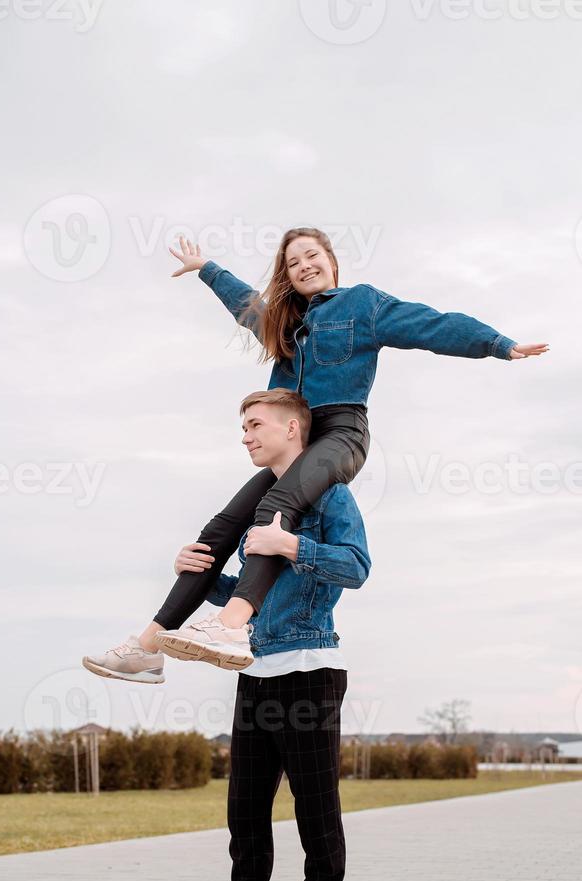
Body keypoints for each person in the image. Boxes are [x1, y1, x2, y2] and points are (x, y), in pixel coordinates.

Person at [83, 227, 548, 680]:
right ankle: (147, 647)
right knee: (221, 528)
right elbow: (247, 306)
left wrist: (498, 345)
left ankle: (230, 626)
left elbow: (431, 324)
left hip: (339, 433)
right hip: (295, 441)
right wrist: (207, 268)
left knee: (276, 507)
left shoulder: (362, 304)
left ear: (331, 261)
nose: (304, 266)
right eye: (292, 262)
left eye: (311, 255)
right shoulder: (284, 322)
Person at [160, 389, 371, 881]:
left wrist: (292, 545)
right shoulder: (260, 506)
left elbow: (356, 565)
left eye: (255, 425)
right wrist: (198, 577)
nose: (246, 436)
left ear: (293, 431)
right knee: (245, 814)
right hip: (253, 672)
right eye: (243, 427)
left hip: (310, 674)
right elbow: (250, 596)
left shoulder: (331, 494)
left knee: (316, 817)